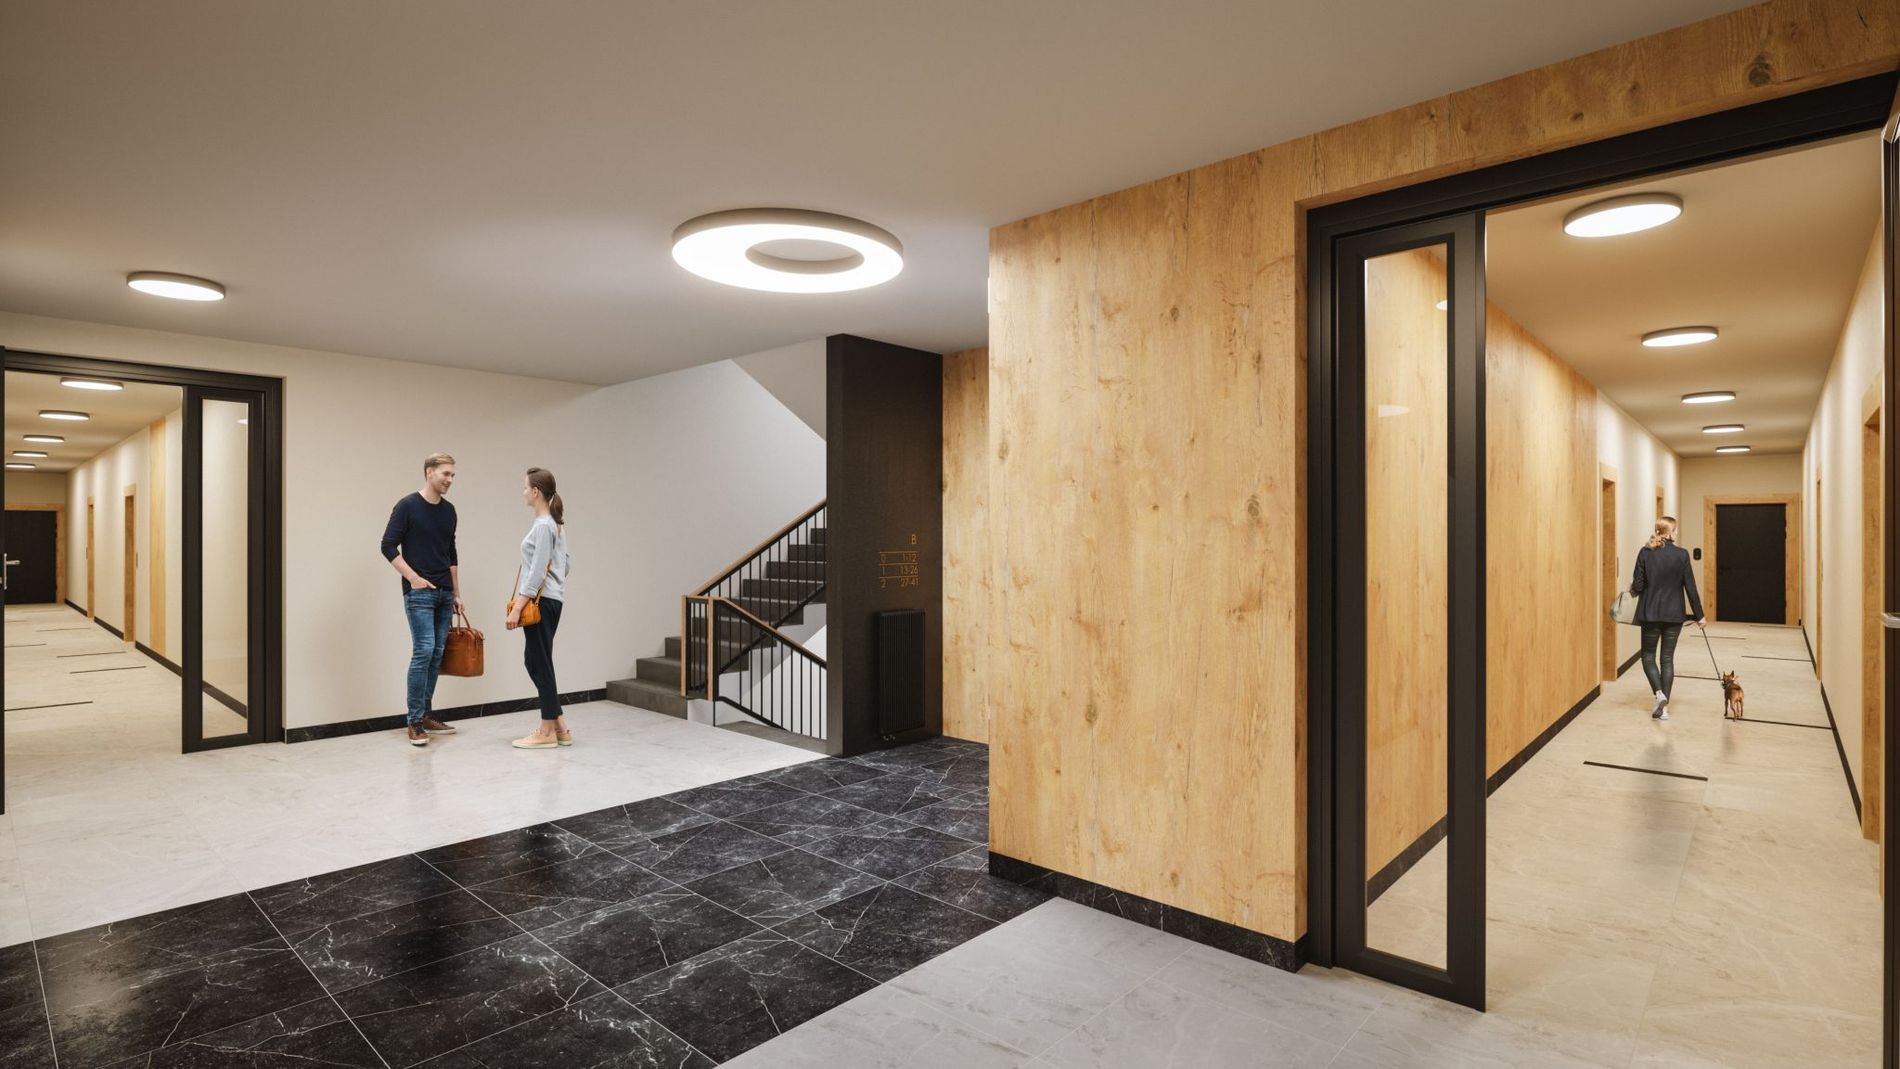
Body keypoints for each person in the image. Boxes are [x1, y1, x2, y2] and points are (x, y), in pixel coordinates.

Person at [381, 452, 465, 747]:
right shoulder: (407, 506)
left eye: (453, 475)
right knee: (424, 651)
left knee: (437, 654)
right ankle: (414, 721)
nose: (450, 480)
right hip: (419, 593)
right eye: (446, 474)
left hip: (444, 592)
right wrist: (413, 578)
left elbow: (451, 554)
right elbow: (387, 545)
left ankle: (426, 715)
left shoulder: (450, 511)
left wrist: (456, 593)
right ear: (429, 472)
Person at [509, 467, 571, 749]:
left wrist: (517, 607)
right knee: (535, 660)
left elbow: (536, 571)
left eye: (525, 487)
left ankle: (546, 732)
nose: (523, 492)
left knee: (540, 662)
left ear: (536, 492)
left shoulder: (544, 525)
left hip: (540, 602)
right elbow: (566, 564)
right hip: (551, 600)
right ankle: (560, 726)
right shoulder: (555, 525)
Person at [1630, 515, 1705, 721]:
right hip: (1674, 615)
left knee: (1648, 656)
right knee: (1667, 659)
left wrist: (1643, 586)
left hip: (1650, 614)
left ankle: (1659, 694)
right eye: (1676, 529)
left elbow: (1638, 585)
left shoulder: (1645, 552)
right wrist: (1700, 615)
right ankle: (1663, 709)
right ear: (1670, 532)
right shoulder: (1682, 555)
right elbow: (1690, 587)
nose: (1677, 532)